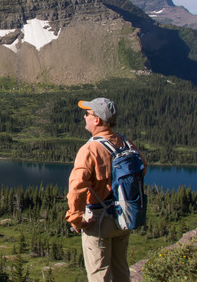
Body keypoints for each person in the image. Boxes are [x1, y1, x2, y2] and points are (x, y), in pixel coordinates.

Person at [65, 97, 143, 282]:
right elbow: (142, 168)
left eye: (87, 114)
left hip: (98, 221)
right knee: (121, 270)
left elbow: (77, 187)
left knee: (100, 275)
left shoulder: (90, 149)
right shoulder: (126, 143)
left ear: (97, 120)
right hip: (124, 217)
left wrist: (75, 219)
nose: (84, 117)